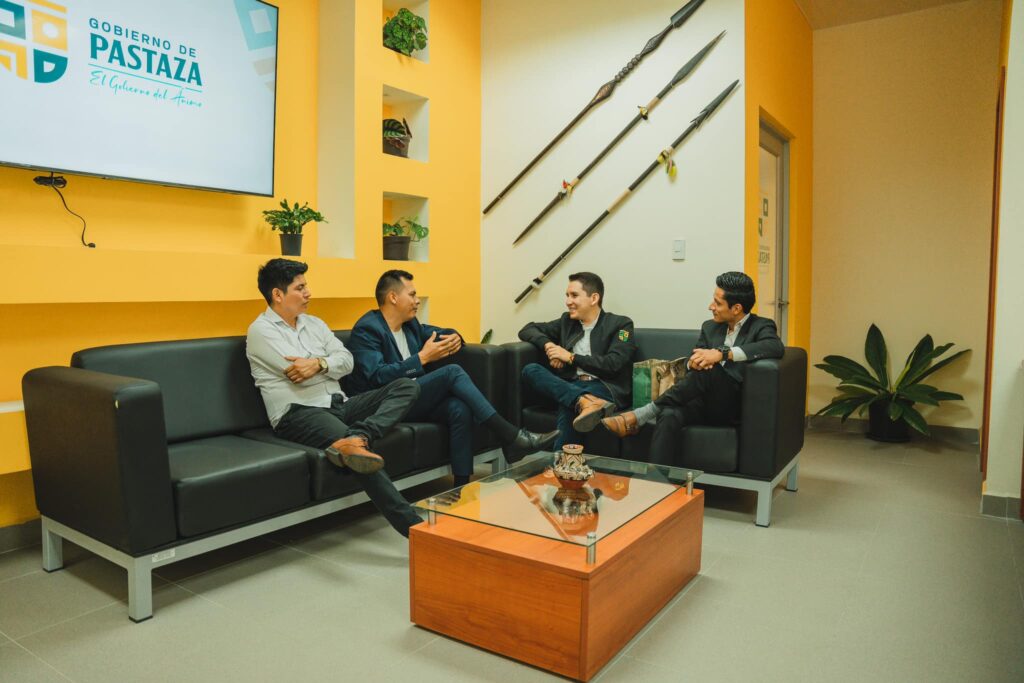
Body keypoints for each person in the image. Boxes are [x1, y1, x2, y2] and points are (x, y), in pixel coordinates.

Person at [246, 258, 422, 537]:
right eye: (300, 288)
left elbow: (347, 361)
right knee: (358, 455)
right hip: (299, 413)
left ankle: (359, 435)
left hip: (340, 403)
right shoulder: (261, 331)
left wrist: (318, 364)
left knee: (406, 386)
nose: (308, 293)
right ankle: (415, 529)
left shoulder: (315, 323)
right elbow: (298, 372)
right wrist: (327, 364)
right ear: (278, 294)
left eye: (306, 286)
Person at [346, 270, 558, 484]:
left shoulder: (410, 325)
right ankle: (511, 436)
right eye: (412, 294)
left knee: (458, 407)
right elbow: (378, 376)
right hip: (384, 404)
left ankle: (461, 488)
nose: (417, 300)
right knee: (452, 372)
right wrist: (422, 358)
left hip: (412, 399)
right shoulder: (368, 329)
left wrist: (455, 336)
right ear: (393, 297)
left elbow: (439, 332)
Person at [601, 271, 784, 466]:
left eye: (717, 303)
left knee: (710, 370)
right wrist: (692, 363)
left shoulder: (761, 326)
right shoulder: (710, 327)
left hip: (729, 407)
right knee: (669, 413)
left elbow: (774, 346)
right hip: (699, 401)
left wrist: (723, 354)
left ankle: (641, 415)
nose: (711, 306)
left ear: (736, 308)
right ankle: (657, 479)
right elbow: (693, 360)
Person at [518, 272, 637, 449]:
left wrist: (570, 357)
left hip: (604, 386)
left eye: (574, 295)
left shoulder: (621, 325)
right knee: (530, 370)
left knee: (568, 403)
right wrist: (550, 347)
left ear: (594, 298)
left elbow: (614, 363)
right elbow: (527, 329)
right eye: (567, 295)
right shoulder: (567, 322)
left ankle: (560, 460)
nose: (568, 301)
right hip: (571, 384)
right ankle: (584, 402)